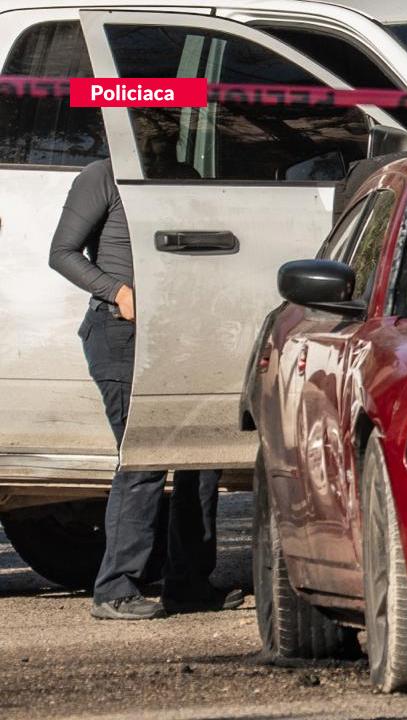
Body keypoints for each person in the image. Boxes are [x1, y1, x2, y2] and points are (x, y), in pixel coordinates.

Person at [48, 144, 243, 620]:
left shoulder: (182, 176)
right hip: (121, 334)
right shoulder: (104, 176)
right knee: (144, 460)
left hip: (181, 336)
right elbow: (62, 253)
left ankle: (189, 584)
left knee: (202, 458)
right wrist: (116, 291)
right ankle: (115, 590)